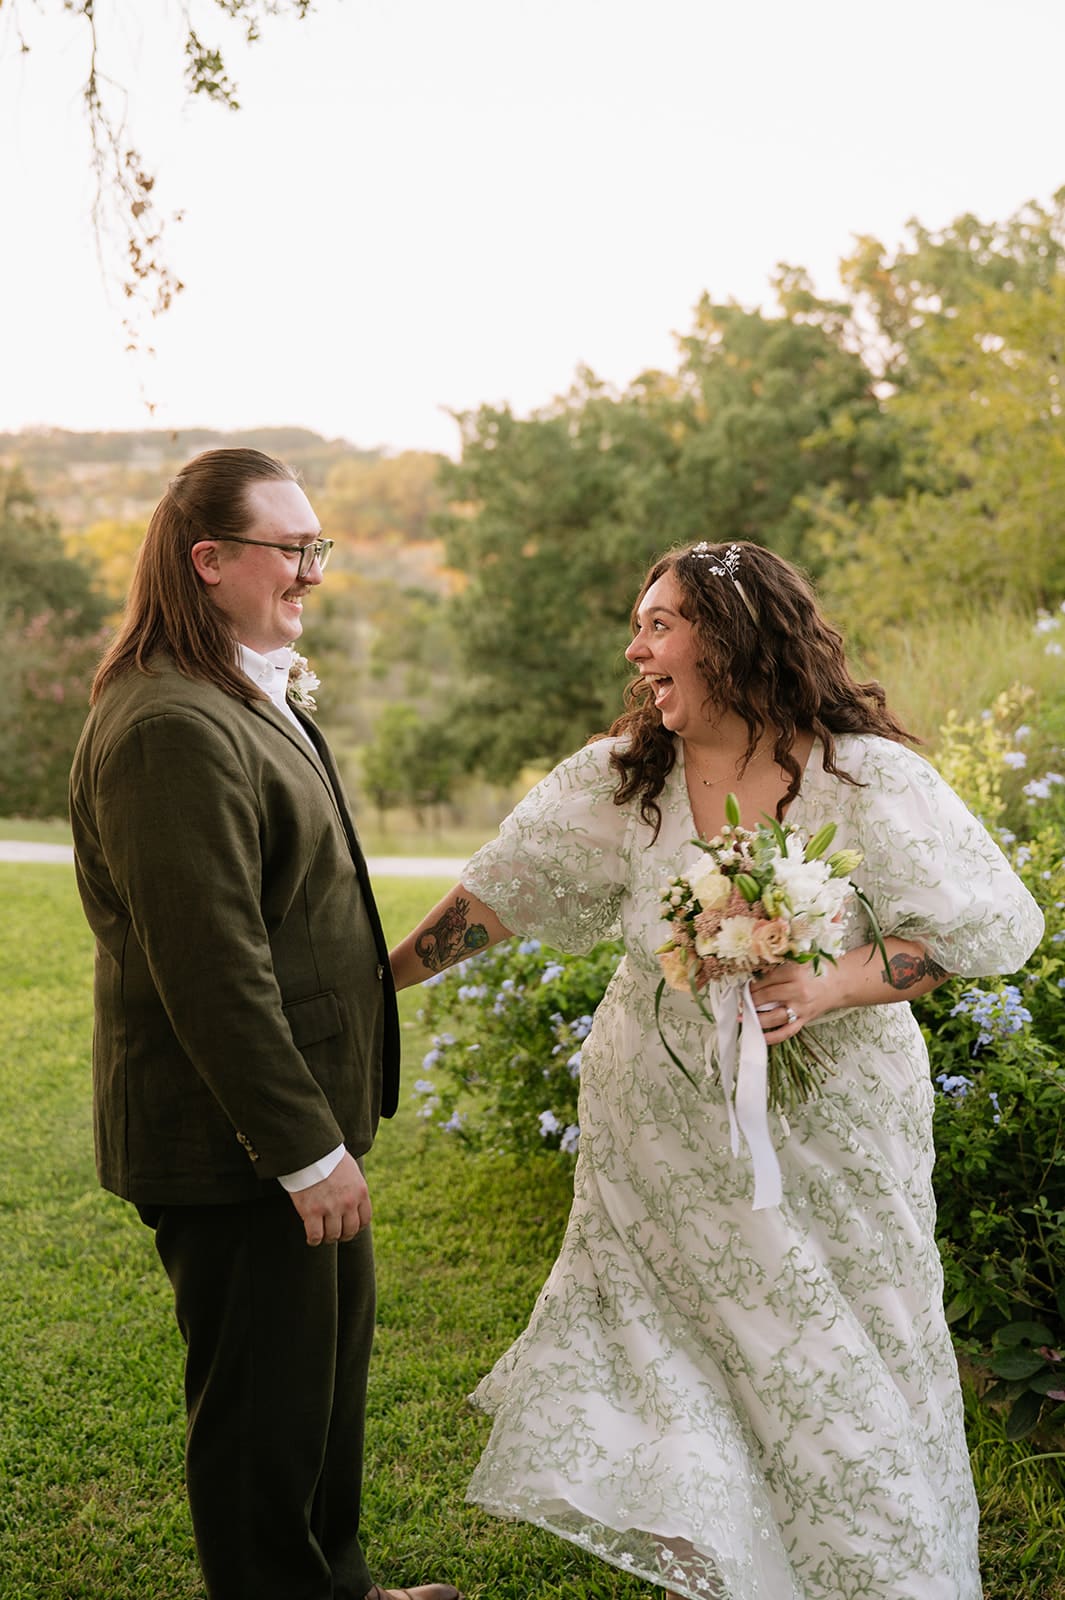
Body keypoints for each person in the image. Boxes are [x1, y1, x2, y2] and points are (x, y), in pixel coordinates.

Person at [389, 539, 1044, 1600]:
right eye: (640, 623)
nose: (637, 646)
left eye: (662, 624)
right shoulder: (622, 779)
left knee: (840, 1363)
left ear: (734, 639)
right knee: (681, 1365)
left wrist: (831, 983)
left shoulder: (863, 776)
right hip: (657, 1138)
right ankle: (740, 1574)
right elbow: (494, 900)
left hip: (833, 1132)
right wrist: (380, 980)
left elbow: (982, 928)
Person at [69, 448, 461, 1600]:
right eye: (293, 549)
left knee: (319, 1398)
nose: (313, 572)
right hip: (235, 1145)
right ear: (210, 560)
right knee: (259, 1423)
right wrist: (301, 1150)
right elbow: (211, 968)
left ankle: (338, 1586)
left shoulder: (238, 687)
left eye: (315, 547)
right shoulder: (166, 726)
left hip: (296, 1131)